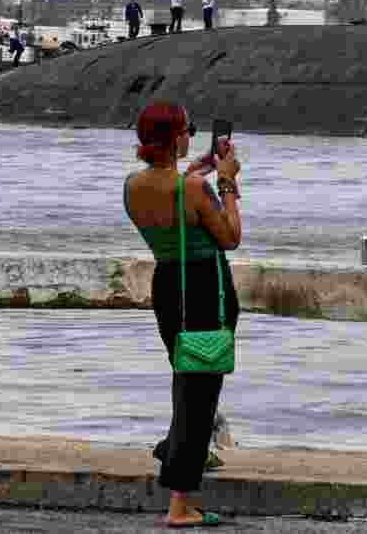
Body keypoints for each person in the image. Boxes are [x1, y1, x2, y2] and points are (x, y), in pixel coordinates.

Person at [123, 100, 242, 527]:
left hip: (169, 286)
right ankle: (180, 503)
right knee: (200, 393)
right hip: (204, 288)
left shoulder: (134, 186)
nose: (191, 132)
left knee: (186, 378)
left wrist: (203, 168)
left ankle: (174, 447)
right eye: (187, 127)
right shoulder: (193, 189)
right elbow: (230, 237)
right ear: (177, 137)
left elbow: (176, 192)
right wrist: (226, 183)